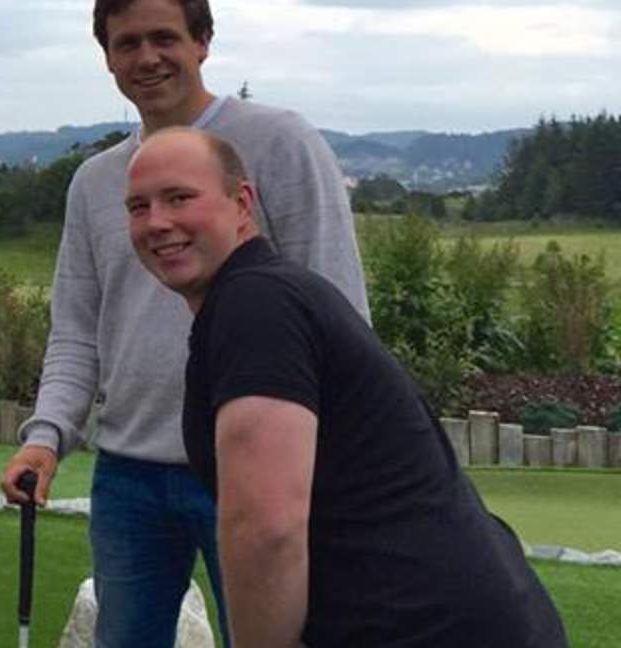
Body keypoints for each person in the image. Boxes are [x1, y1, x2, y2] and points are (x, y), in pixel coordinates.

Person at [1, 0, 367, 646]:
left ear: (202, 42)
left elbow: (338, 308)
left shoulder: (280, 142)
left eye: (164, 37)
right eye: (126, 44)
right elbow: (77, 331)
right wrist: (47, 436)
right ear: (107, 58)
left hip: (256, 471)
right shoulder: (94, 184)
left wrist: (337, 456)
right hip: (129, 477)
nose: (147, 57)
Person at [125, 128, 567, 647]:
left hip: (425, 627)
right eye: (138, 206)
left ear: (242, 202)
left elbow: (265, 528)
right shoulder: (268, 295)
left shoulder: (256, 306)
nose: (157, 222)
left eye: (179, 197)